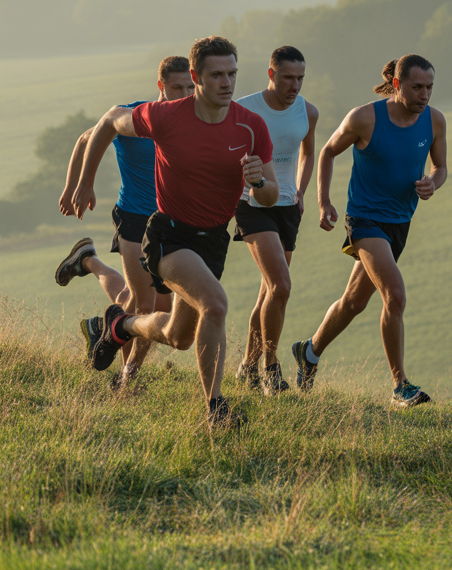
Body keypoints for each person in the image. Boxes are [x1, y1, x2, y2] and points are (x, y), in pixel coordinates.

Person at [70, 36, 277, 428]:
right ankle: (215, 409)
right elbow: (111, 119)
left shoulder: (251, 127)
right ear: (196, 78)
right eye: (216, 75)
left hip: (213, 241)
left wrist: (259, 183)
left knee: (178, 335)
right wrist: (85, 181)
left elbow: (270, 196)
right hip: (170, 236)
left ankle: (121, 325)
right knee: (215, 304)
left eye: (232, 73)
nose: (227, 82)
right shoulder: (167, 117)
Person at [292, 54, 447, 409]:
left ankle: (309, 352)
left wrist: (432, 184)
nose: (425, 95)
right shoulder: (365, 118)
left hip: (400, 223)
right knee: (394, 294)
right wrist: (323, 202)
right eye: (417, 87)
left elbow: (441, 167)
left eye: (430, 87)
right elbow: (328, 151)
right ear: (397, 84)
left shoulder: (434, 121)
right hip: (364, 220)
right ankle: (400, 386)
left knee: (354, 301)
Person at [55, 56, 195, 386]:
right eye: (177, 87)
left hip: (171, 220)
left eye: (191, 86)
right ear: (161, 86)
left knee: (149, 303)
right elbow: (85, 140)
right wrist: (77, 184)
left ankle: (88, 263)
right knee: (144, 304)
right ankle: (127, 377)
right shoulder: (134, 115)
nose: (186, 94)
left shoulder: (197, 117)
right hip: (134, 216)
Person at [231, 46, 319, 396]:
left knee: (269, 291)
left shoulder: (308, 112)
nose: (294, 85)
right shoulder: (245, 109)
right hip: (251, 203)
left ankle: (246, 367)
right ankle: (270, 368)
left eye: (300, 78)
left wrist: (300, 191)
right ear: (271, 74)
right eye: (287, 77)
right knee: (281, 286)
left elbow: (309, 150)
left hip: (286, 206)